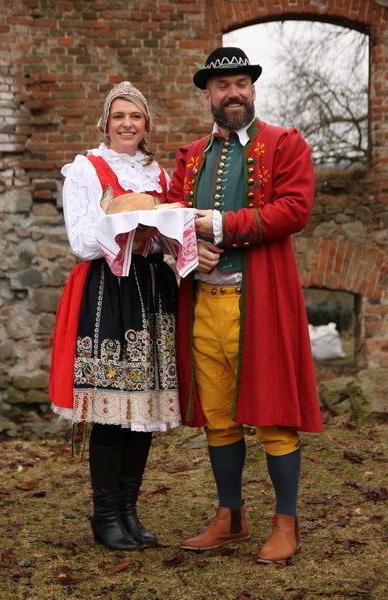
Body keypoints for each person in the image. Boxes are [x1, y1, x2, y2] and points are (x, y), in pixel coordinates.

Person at [167, 47, 323, 564]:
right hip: (204, 305)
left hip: (259, 304)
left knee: (274, 414)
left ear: (252, 89)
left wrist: (221, 225)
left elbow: (295, 209)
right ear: (207, 95)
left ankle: (286, 523)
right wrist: (189, 250)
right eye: (222, 86)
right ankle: (230, 517)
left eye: (241, 84)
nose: (232, 93)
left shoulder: (284, 144)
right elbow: (170, 220)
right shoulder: (190, 155)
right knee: (218, 417)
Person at [49, 81, 181, 551]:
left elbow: (170, 236)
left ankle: (128, 510)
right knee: (111, 409)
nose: (127, 124)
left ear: (147, 125)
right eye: (119, 116)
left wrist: (165, 233)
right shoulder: (86, 169)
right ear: (105, 123)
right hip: (109, 289)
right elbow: (81, 242)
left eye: (136, 116)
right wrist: (129, 228)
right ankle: (104, 515)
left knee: (143, 408)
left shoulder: (157, 173)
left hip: (152, 289)